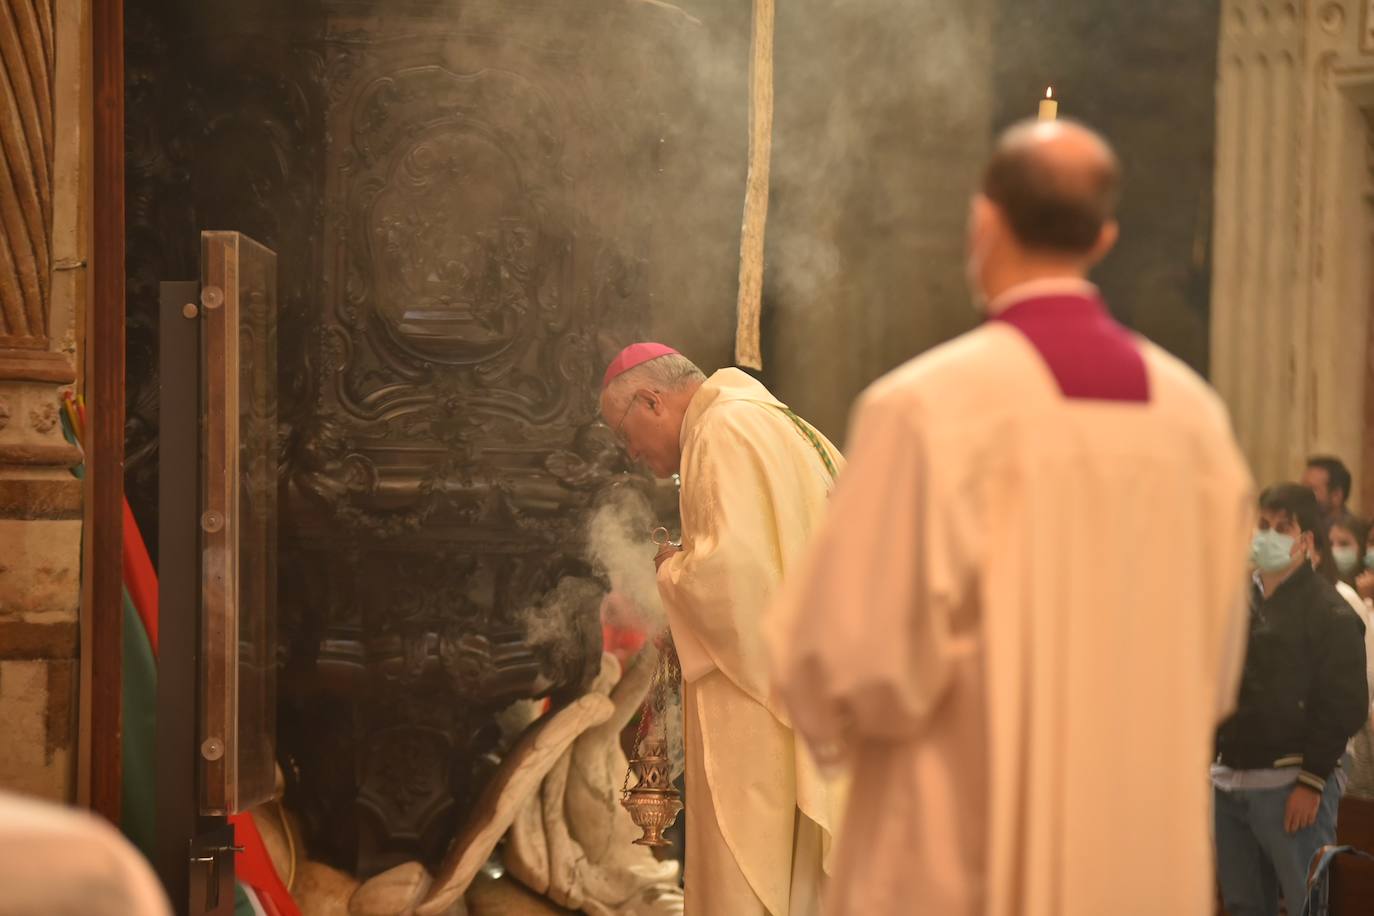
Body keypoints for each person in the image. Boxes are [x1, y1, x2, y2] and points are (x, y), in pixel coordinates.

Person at [767, 119, 1255, 915]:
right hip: (1136, 845)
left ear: (982, 221)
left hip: (960, 843)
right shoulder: (1196, 422)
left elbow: (837, 659)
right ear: (1104, 238)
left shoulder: (925, 409)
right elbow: (1217, 665)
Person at [598, 343, 844, 916]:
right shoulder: (788, 427)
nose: (630, 453)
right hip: (808, 689)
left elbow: (734, 579)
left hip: (755, 706)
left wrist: (670, 570)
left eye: (623, 432)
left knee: (749, 876)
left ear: (651, 401)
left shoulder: (720, 432)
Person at [1213, 483, 1368, 915]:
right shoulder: (1237, 605)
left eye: (1283, 528)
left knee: (1306, 904)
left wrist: (1311, 780)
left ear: (1305, 542)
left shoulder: (1330, 611)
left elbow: (1344, 704)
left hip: (1291, 786)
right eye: (1263, 525)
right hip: (1230, 779)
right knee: (1244, 903)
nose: (1268, 535)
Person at [1302, 455, 1354, 530]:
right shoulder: (1301, 526)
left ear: (1336, 496)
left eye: (1311, 489)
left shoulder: (1353, 535)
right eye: (1302, 488)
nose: (1302, 494)